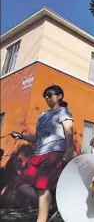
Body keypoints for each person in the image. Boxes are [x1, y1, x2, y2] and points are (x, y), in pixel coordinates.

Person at [11, 85, 74, 222]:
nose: (47, 97)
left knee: (42, 187)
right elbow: (38, 137)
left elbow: (69, 131)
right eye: (45, 95)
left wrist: (69, 151)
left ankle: (42, 218)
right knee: (22, 183)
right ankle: (49, 203)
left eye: (50, 95)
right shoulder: (42, 116)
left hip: (54, 152)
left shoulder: (63, 111)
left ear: (59, 96)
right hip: (39, 153)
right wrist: (21, 136)